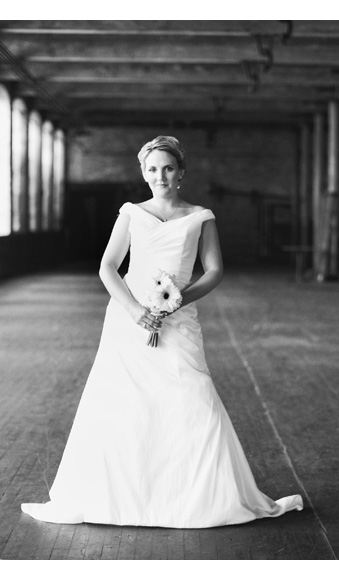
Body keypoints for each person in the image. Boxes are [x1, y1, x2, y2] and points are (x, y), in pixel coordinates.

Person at [21, 136, 303, 528]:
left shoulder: (200, 216)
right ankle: (121, 495)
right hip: (127, 320)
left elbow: (215, 270)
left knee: (193, 396)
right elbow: (108, 267)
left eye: (168, 168)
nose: (160, 176)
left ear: (181, 172)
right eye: (152, 169)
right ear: (143, 173)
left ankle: (196, 498)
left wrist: (177, 302)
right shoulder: (131, 213)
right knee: (123, 402)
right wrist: (138, 311)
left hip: (178, 319)